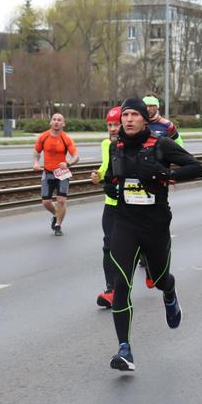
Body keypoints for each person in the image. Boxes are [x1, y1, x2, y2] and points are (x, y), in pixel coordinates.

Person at [103, 97, 202, 371]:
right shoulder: (116, 148)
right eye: (125, 115)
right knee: (122, 284)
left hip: (155, 225)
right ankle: (125, 349)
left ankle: (169, 293)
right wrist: (110, 187)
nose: (128, 119)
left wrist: (164, 174)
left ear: (144, 119)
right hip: (124, 224)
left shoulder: (161, 145)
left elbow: (197, 168)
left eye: (134, 114)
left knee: (158, 280)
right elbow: (111, 178)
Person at [91, 106, 121, 308]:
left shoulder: (136, 145)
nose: (112, 129)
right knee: (108, 246)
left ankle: (152, 265)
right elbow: (105, 167)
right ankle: (111, 290)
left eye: (115, 124)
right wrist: (98, 175)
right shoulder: (105, 144)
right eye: (109, 125)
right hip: (111, 203)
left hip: (131, 203)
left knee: (136, 245)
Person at [32, 113, 79, 236]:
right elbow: (37, 151)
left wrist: (68, 163)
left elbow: (76, 156)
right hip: (47, 172)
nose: (56, 122)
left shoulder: (66, 138)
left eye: (59, 120)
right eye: (54, 119)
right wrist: (36, 162)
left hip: (62, 173)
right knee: (46, 202)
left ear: (63, 123)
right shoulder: (43, 137)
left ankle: (58, 225)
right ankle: (56, 214)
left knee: (61, 200)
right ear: (50, 122)